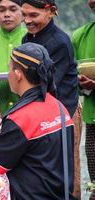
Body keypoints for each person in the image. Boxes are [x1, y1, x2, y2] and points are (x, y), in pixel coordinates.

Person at [0, 42, 76, 199]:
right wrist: (3, 136)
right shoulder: (57, 105)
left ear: (18, 74)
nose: (8, 74)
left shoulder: (20, 117)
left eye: (9, 68)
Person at [21, 1, 81, 198]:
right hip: (38, 113)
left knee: (63, 174)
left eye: (33, 15)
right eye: (24, 14)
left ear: (50, 12)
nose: (27, 20)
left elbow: (44, 84)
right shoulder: (27, 38)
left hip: (61, 117)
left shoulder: (60, 42)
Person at [72, 0, 95, 199]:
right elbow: (71, 77)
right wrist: (80, 83)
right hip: (93, 119)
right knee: (94, 183)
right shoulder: (81, 36)